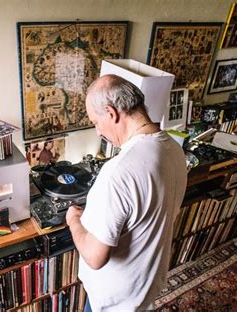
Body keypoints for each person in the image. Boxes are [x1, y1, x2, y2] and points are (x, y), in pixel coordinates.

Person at [66, 74, 187, 311]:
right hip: (144, 289)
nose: (98, 132)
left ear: (111, 113)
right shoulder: (174, 148)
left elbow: (94, 256)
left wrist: (73, 220)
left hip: (114, 302)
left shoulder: (118, 172)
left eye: (95, 122)